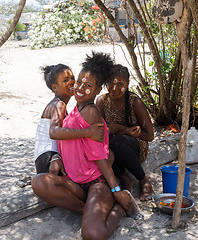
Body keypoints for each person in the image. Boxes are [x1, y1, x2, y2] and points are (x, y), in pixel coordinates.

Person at [32, 52, 140, 240]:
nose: (80, 87)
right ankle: (86, 210)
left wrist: (116, 191)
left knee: (92, 234)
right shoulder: (76, 106)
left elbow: (101, 159)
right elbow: (60, 136)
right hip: (75, 182)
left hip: (96, 182)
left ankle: (119, 206)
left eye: (88, 85)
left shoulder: (90, 112)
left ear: (98, 90)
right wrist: (57, 156)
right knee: (39, 181)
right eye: (79, 81)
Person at [96, 64, 155, 202]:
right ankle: (124, 177)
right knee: (102, 146)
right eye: (110, 83)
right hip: (111, 145)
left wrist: (132, 133)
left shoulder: (135, 102)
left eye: (120, 84)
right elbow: (101, 132)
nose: (114, 88)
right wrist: (122, 129)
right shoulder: (101, 101)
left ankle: (143, 180)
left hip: (133, 146)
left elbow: (150, 136)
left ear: (128, 84)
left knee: (119, 142)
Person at [34, 64, 104, 175]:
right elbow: (54, 132)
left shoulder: (60, 105)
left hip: (44, 158)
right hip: (49, 158)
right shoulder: (59, 105)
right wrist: (88, 132)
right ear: (54, 87)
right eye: (66, 80)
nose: (71, 82)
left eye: (72, 78)